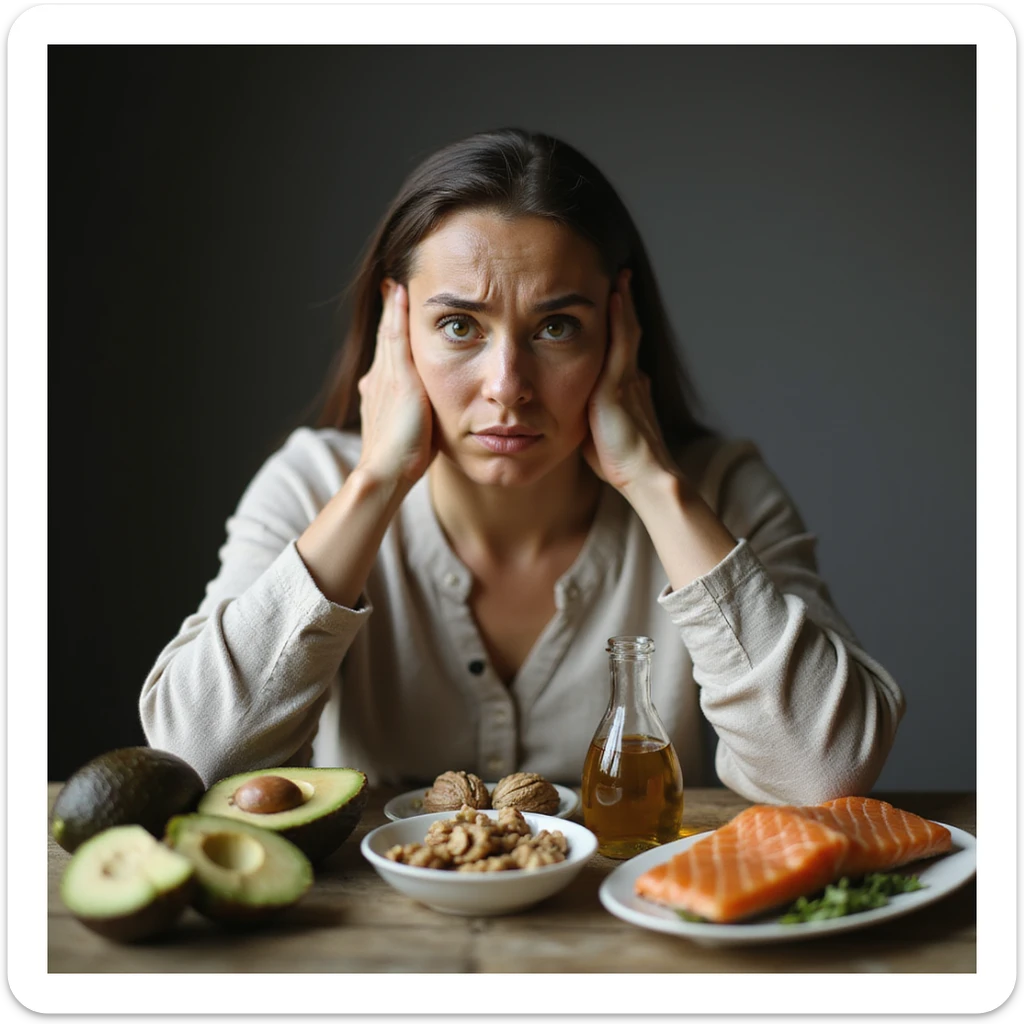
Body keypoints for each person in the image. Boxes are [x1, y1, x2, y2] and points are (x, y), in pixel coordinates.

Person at [139, 127, 905, 804]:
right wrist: (374, 486)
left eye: (557, 326)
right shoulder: (312, 486)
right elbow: (195, 760)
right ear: (396, 327)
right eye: (459, 325)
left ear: (620, 329)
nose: (507, 386)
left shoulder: (717, 491)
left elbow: (821, 771)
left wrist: (655, 486)